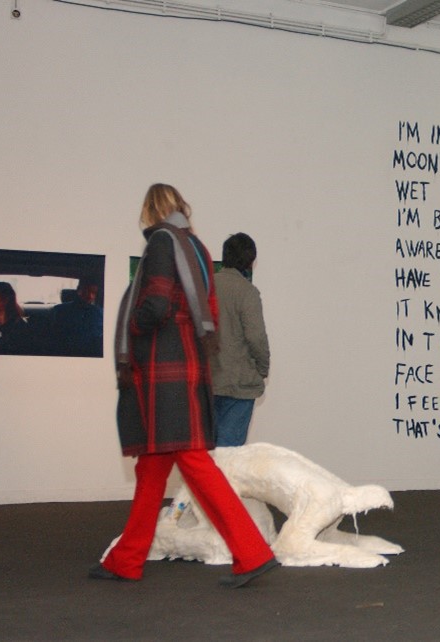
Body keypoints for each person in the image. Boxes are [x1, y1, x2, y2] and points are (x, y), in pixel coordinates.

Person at [90, 184, 279, 587]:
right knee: (151, 469)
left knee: (195, 465)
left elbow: (156, 303)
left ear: (150, 210)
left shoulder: (163, 241)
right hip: (186, 366)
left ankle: (252, 552)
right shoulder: (195, 247)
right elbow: (202, 311)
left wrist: (134, 326)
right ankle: (126, 560)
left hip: (165, 371)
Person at [210, 233, 270, 447]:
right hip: (239, 383)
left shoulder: (206, 288)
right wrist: (262, 368)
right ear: (250, 260)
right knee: (229, 453)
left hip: (207, 381)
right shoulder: (247, 292)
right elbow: (256, 336)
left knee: (205, 451)